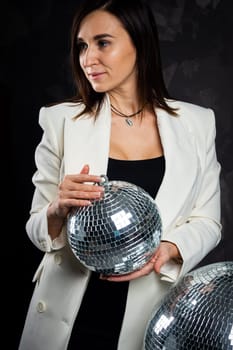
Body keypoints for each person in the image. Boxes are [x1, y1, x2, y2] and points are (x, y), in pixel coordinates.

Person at [19, 0, 222, 349]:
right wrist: (56, 211)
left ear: (139, 43)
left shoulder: (197, 123)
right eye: (82, 46)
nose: (87, 59)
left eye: (102, 43)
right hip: (66, 317)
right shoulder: (61, 121)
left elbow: (208, 221)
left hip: (147, 314)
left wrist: (169, 248)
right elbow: (37, 229)